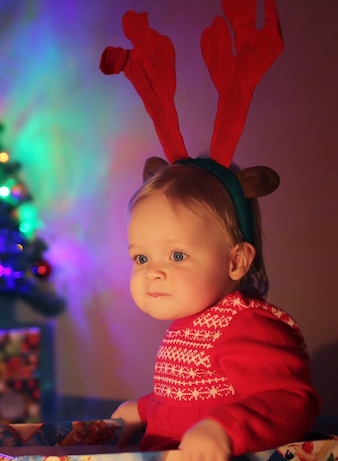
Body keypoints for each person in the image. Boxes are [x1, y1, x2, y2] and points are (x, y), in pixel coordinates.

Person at [111, 160, 321, 460]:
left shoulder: (246, 326)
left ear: (235, 261)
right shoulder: (190, 323)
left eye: (177, 255)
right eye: (142, 258)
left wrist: (223, 429)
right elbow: (188, 400)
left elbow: (290, 401)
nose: (151, 272)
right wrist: (145, 409)